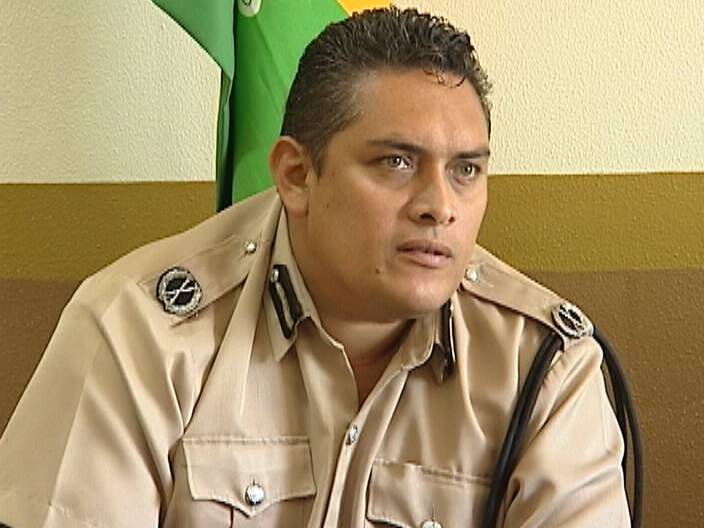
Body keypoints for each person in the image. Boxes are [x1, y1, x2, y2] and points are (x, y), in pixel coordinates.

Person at [0, 7, 631, 527]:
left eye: (466, 169)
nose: (441, 206)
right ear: (297, 176)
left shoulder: (544, 365)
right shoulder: (139, 332)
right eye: (396, 163)